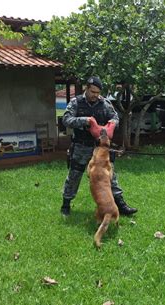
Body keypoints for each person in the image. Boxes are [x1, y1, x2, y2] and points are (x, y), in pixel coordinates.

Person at [59, 76, 138, 217]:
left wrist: (112, 124)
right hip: (82, 146)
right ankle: (66, 205)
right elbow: (66, 120)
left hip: (101, 149)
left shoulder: (105, 103)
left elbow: (115, 117)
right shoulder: (76, 102)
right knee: (74, 176)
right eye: (93, 92)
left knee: (109, 176)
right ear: (87, 88)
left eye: (97, 93)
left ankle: (121, 204)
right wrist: (85, 121)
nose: (95, 95)